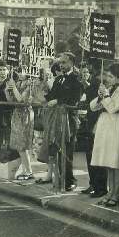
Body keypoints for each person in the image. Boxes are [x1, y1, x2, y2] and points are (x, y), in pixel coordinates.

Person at [90, 62, 119, 207]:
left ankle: (116, 194)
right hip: (106, 127)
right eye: (106, 75)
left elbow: (113, 108)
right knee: (108, 163)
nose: (107, 78)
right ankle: (109, 192)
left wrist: (106, 96)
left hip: (116, 127)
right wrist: (100, 96)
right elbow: (93, 107)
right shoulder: (109, 89)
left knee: (116, 163)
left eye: (111, 76)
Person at [45, 52, 83, 191]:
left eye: (64, 62)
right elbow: (51, 96)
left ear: (72, 63)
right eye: (60, 63)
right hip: (56, 118)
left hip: (69, 119)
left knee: (67, 149)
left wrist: (58, 101)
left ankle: (69, 180)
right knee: (58, 149)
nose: (61, 65)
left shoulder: (77, 79)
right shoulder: (58, 79)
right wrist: (44, 90)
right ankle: (61, 178)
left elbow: (74, 99)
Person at [80, 62, 108, 198]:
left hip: (99, 123)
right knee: (90, 155)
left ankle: (99, 186)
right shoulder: (92, 84)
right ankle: (94, 184)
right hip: (91, 122)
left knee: (97, 157)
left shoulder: (100, 84)